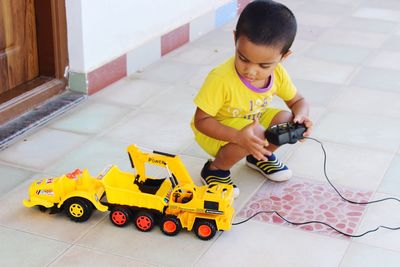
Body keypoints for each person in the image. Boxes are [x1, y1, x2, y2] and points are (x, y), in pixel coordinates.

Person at [191, 0, 313, 198]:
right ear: (235, 40)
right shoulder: (221, 79)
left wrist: (301, 117)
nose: (251, 71)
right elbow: (201, 122)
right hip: (215, 130)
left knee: (285, 120)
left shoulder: (279, 74)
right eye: (243, 58)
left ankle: (258, 157)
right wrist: (237, 137)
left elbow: (299, 102)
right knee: (256, 132)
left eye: (264, 66)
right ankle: (215, 170)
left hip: (251, 124)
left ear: (284, 56)